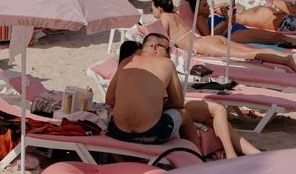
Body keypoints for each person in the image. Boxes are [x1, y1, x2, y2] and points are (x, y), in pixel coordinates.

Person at [106, 32, 256, 157]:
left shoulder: (125, 62)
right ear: (155, 47)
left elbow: (109, 99)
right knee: (184, 114)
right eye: (168, 50)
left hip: (117, 131)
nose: (170, 55)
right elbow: (178, 103)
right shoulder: (166, 64)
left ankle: (233, 153)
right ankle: (197, 158)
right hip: (152, 133)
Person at [152, 0, 296, 72]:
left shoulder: (165, 18)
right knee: (249, 50)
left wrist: (141, 29)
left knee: (249, 54)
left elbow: (162, 40)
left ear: (159, 9)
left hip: (201, 45)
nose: (152, 12)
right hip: (209, 40)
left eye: (153, 9)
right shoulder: (176, 15)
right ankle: (287, 57)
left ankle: (287, 60)